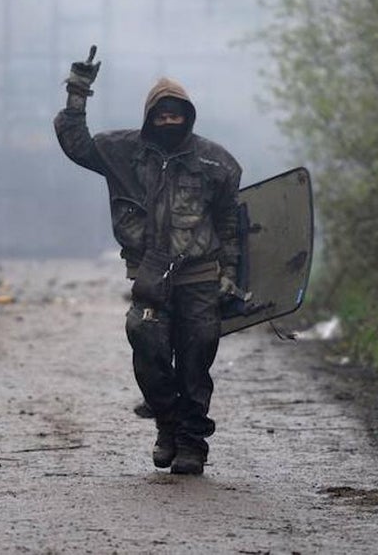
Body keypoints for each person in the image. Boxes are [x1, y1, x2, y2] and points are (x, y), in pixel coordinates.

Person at [53, 45, 243, 475]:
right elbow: (76, 143)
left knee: (197, 359)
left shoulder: (217, 163)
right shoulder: (123, 152)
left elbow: (231, 224)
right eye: (162, 113)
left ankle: (191, 444)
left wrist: (230, 276)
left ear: (188, 115)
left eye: (177, 113)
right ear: (150, 117)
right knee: (147, 345)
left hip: (199, 276)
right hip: (150, 275)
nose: (169, 120)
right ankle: (168, 424)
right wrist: (78, 91)